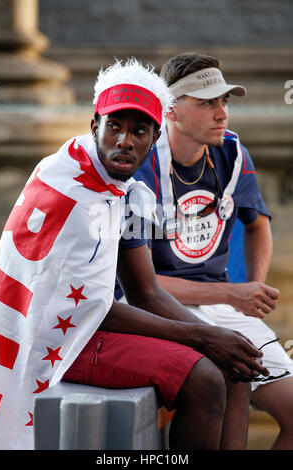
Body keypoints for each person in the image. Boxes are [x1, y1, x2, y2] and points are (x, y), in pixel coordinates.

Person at [0, 58, 267, 451]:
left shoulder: (120, 186)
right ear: (94, 127)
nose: (125, 141)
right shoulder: (73, 192)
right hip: (55, 336)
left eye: (139, 130)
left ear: (155, 136)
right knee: (205, 376)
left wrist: (220, 337)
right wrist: (203, 336)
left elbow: (146, 291)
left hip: (87, 323)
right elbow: (94, 308)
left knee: (233, 369)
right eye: (114, 127)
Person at [124, 52, 293, 450]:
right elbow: (138, 287)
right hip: (158, 307)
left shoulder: (233, 154)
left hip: (224, 301)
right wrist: (233, 293)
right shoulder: (140, 164)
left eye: (225, 101)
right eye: (207, 103)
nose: (222, 114)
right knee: (228, 371)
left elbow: (258, 224)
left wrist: (252, 287)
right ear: (172, 111)